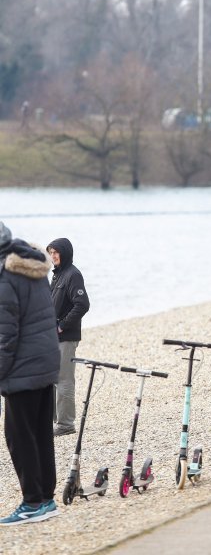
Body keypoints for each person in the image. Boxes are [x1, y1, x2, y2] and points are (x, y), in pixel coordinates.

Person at [0, 223, 61, 525]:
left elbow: (5, 335)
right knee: (39, 433)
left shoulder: (5, 277)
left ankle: (32, 502)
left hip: (23, 368)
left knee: (18, 435)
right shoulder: (32, 265)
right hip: (45, 362)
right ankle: (46, 499)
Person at [47, 238, 90, 437]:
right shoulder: (57, 275)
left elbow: (82, 304)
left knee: (64, 380)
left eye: (56, 252)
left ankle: (66, 424)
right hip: (52, 337)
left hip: (66, 337)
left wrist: (63, 325)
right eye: (51, 252)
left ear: (65, 253)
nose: (53, 256)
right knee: (52, 379)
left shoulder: (73, 275)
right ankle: (55, 421)